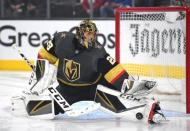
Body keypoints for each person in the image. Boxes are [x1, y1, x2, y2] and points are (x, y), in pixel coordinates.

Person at [11, 19, 165, 123]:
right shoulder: (62, 40)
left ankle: (149, 111)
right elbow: (44, 55)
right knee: (39, 110)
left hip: (92, 88)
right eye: (88, 33)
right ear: (80, 33)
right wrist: (41, 78)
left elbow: (113, 71)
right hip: (65, 90)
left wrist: (128, 85)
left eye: (93, 33)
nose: (92, 37)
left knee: (115, 100)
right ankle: (25, 101)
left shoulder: (97, 51)